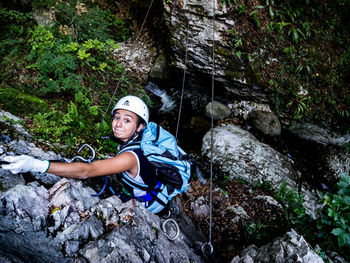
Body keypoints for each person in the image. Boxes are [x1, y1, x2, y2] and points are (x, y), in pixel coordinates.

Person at [2, 95, 170, 215]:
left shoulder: (130, 157)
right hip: (146, 188)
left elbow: (86, 171)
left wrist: (35, 165)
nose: (118, 124)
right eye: (117, 117)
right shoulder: (137, 142)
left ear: (140, 127)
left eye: (127, 120)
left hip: (148, 205)